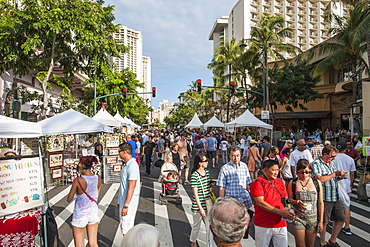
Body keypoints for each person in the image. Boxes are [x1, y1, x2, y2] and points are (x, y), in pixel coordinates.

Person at [250, 159, 294, 247]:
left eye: (277, 170)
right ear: (265, 170)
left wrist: (289, 209)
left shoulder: (280, 181)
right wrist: (281, 212)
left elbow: (285, 198)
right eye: (273, 170)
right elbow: (260, 203)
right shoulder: (258, 182)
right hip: (264, 223)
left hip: (280, 223)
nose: (276, 172)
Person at [312, 145, 347, 247]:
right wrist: (335, 174)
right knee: (323, 222)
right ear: (325, 154)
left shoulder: (331, 163)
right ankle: (323, 242)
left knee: (341, 219)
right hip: (324, 197)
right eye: (332, 156)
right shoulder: (316, 164)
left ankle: (332, 240)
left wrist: (339, 176)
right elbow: (320, 179)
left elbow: (332, 178)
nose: (333, 158)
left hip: (335, 195)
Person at [67, 156, 102, 247]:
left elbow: (69, 199)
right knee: (94, 244)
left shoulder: (78, 180)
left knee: (79, 245)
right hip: (93, 213)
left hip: (80, 214)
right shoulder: (98, 178)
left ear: (81, 168)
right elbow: (97, 195)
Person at [288, 159, 324, 247]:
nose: (304, 175)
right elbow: (288, 199)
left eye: (307, 172)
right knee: (300, 245)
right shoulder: (293, 182)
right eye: (301, 172)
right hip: (298, 217)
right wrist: (295, 202)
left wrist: (321, 221)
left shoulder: (316, 182)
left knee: (310, 245)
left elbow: (320, 202)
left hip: (313, 218)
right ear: (297, 171)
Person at [217, 145, 254, 211]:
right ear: (230, 156)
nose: (235, 158)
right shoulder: (225, 168)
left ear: (241, 155)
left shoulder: (244, 166)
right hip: (231, 200)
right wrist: (221, 203)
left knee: (246, 219)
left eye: (237, 155)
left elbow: (247, 184)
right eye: (233, 156)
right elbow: (222, 187)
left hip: (244, 200)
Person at [333, 141, 356, 236]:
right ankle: (347, 226)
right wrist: (351, 183)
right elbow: (352, 174)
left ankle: (334, 222)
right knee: (346, 206)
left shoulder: (333, 159)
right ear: (345, 149)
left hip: (335, 184)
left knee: (334, 205)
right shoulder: (350, 159)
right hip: (346, 185)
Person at [190, 154, 213, 247]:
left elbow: (207, 186)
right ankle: (193, 241)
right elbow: (195, 195)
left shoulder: (207, 172)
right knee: (196, 226)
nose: (207, 162)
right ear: (200, 163)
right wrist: (200, 209)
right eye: (205, 160)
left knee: (209, 227)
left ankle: (210, 245)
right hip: (198, 205)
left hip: (208, 202)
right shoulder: (194, 176)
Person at [118, 142, 141, 235]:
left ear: (124, 152)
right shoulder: (126, 164)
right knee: (125, 227)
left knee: (126, 230)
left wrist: (126, 205)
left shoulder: (132, 166)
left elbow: (132, 187)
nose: (118, 154)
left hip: (129, 203)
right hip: (123, 201)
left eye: (119, 151)